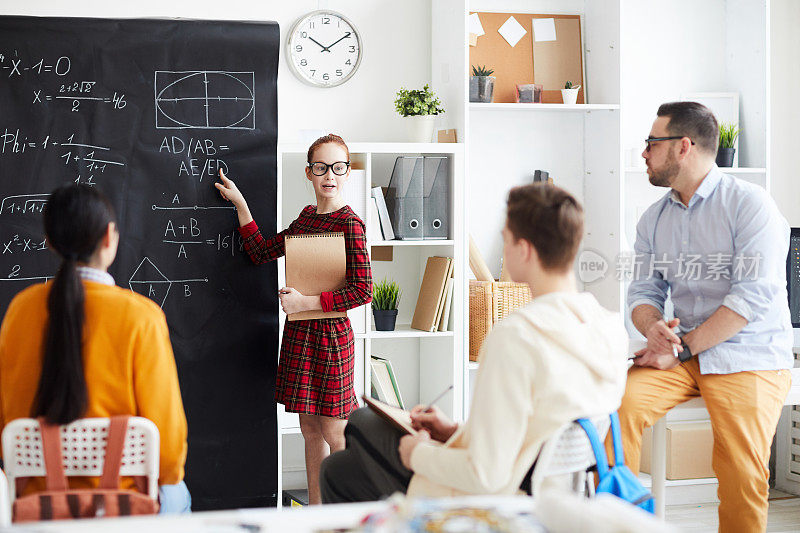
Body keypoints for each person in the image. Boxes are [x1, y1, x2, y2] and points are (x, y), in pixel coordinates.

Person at [319, 183, 629, 502]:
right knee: (341, 466)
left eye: (505, 238)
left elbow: (484, 475)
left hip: (497, 496)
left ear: (523, 250)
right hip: (553, 491)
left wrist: (419, 453)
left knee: (357, 429)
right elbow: (535, 432)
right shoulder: (609, 328)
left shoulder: (516, 337)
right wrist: (454, 432)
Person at [620, 102, 792, 532]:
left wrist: (679, 351)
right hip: (684, 354)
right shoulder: (652, 219)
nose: (643, 153)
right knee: (615, 407)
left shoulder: (751, 205)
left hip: (747, 355)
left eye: (651, 143)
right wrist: (652, 328)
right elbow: (643, 291)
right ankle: (614, 520)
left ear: (683, 147)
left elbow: (750, 299)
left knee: (741, 470)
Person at [0, 185, 190, 513]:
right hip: (124, 504)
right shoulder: (141, 317)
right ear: (108, 238)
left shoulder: (20, 310)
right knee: (179, 495)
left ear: (50, 242)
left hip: (35, 504)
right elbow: (169, 455)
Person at [215, 133, 372, 505]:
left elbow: (363, 290)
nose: (329, 175)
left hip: (332, 337)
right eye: (321, 168)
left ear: (347, 172)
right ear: (309, 172)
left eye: (337, 167)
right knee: (309, 429)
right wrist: (241, 205)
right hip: (301, 336)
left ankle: (342, 517)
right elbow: (260, 251)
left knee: (336, 432)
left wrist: (307, 301)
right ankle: (314, 516)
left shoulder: (351, 224)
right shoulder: (304, 221)